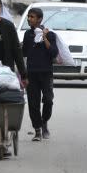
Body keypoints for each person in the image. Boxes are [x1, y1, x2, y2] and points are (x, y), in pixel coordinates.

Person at [22, 8, 60, 141]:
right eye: (28, 17)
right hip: (32, 73)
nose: (29, 19)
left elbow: (54, 53)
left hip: (46, 73)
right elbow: (24, 52)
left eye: (32, 17)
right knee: (33, 103)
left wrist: (44, 38)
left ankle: (44, 122)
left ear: (39, 19)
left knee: (48, 100)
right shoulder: (28, 34)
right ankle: (37, 130)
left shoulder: (49, 34)